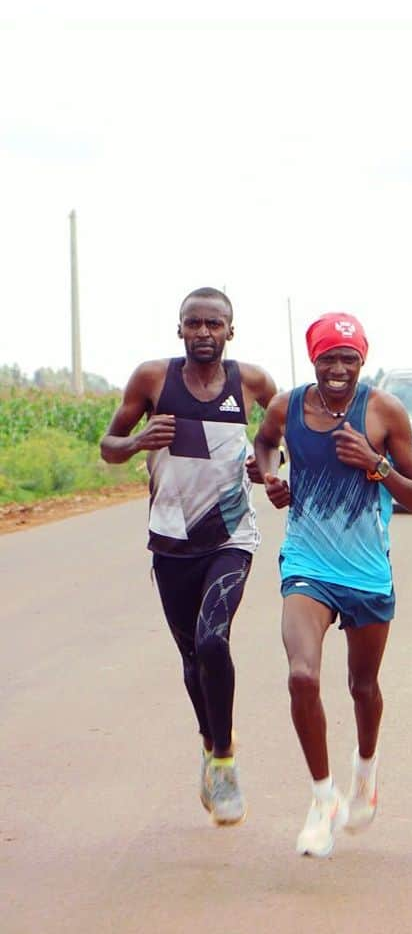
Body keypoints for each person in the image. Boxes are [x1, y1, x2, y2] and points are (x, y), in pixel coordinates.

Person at [100, 286, 278, 826]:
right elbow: (109, 444)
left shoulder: (252, 381)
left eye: (214, 324)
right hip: (171, 539)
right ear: (180, 330)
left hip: (230, 536)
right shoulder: (154, 378)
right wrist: (137, 443)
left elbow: (283, 426)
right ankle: (210, 740)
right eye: (194, 323)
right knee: (191, 660)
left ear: (231, 330)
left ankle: (223, 760)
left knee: (212, 639)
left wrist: (267, 464)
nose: (204, 332)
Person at [253, 312, 412, 858]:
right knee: (302, 676)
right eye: (327, 357)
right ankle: (322, 797)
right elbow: (263, 444)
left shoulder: (383, 411)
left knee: (362, 688)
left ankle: (365, 770)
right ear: (313, 360)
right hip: (306, 562)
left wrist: (375, 465)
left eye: (347, 358)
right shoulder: (288, 406)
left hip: (367, 570)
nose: (337, 368)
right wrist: (272, 476)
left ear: (361, 361)